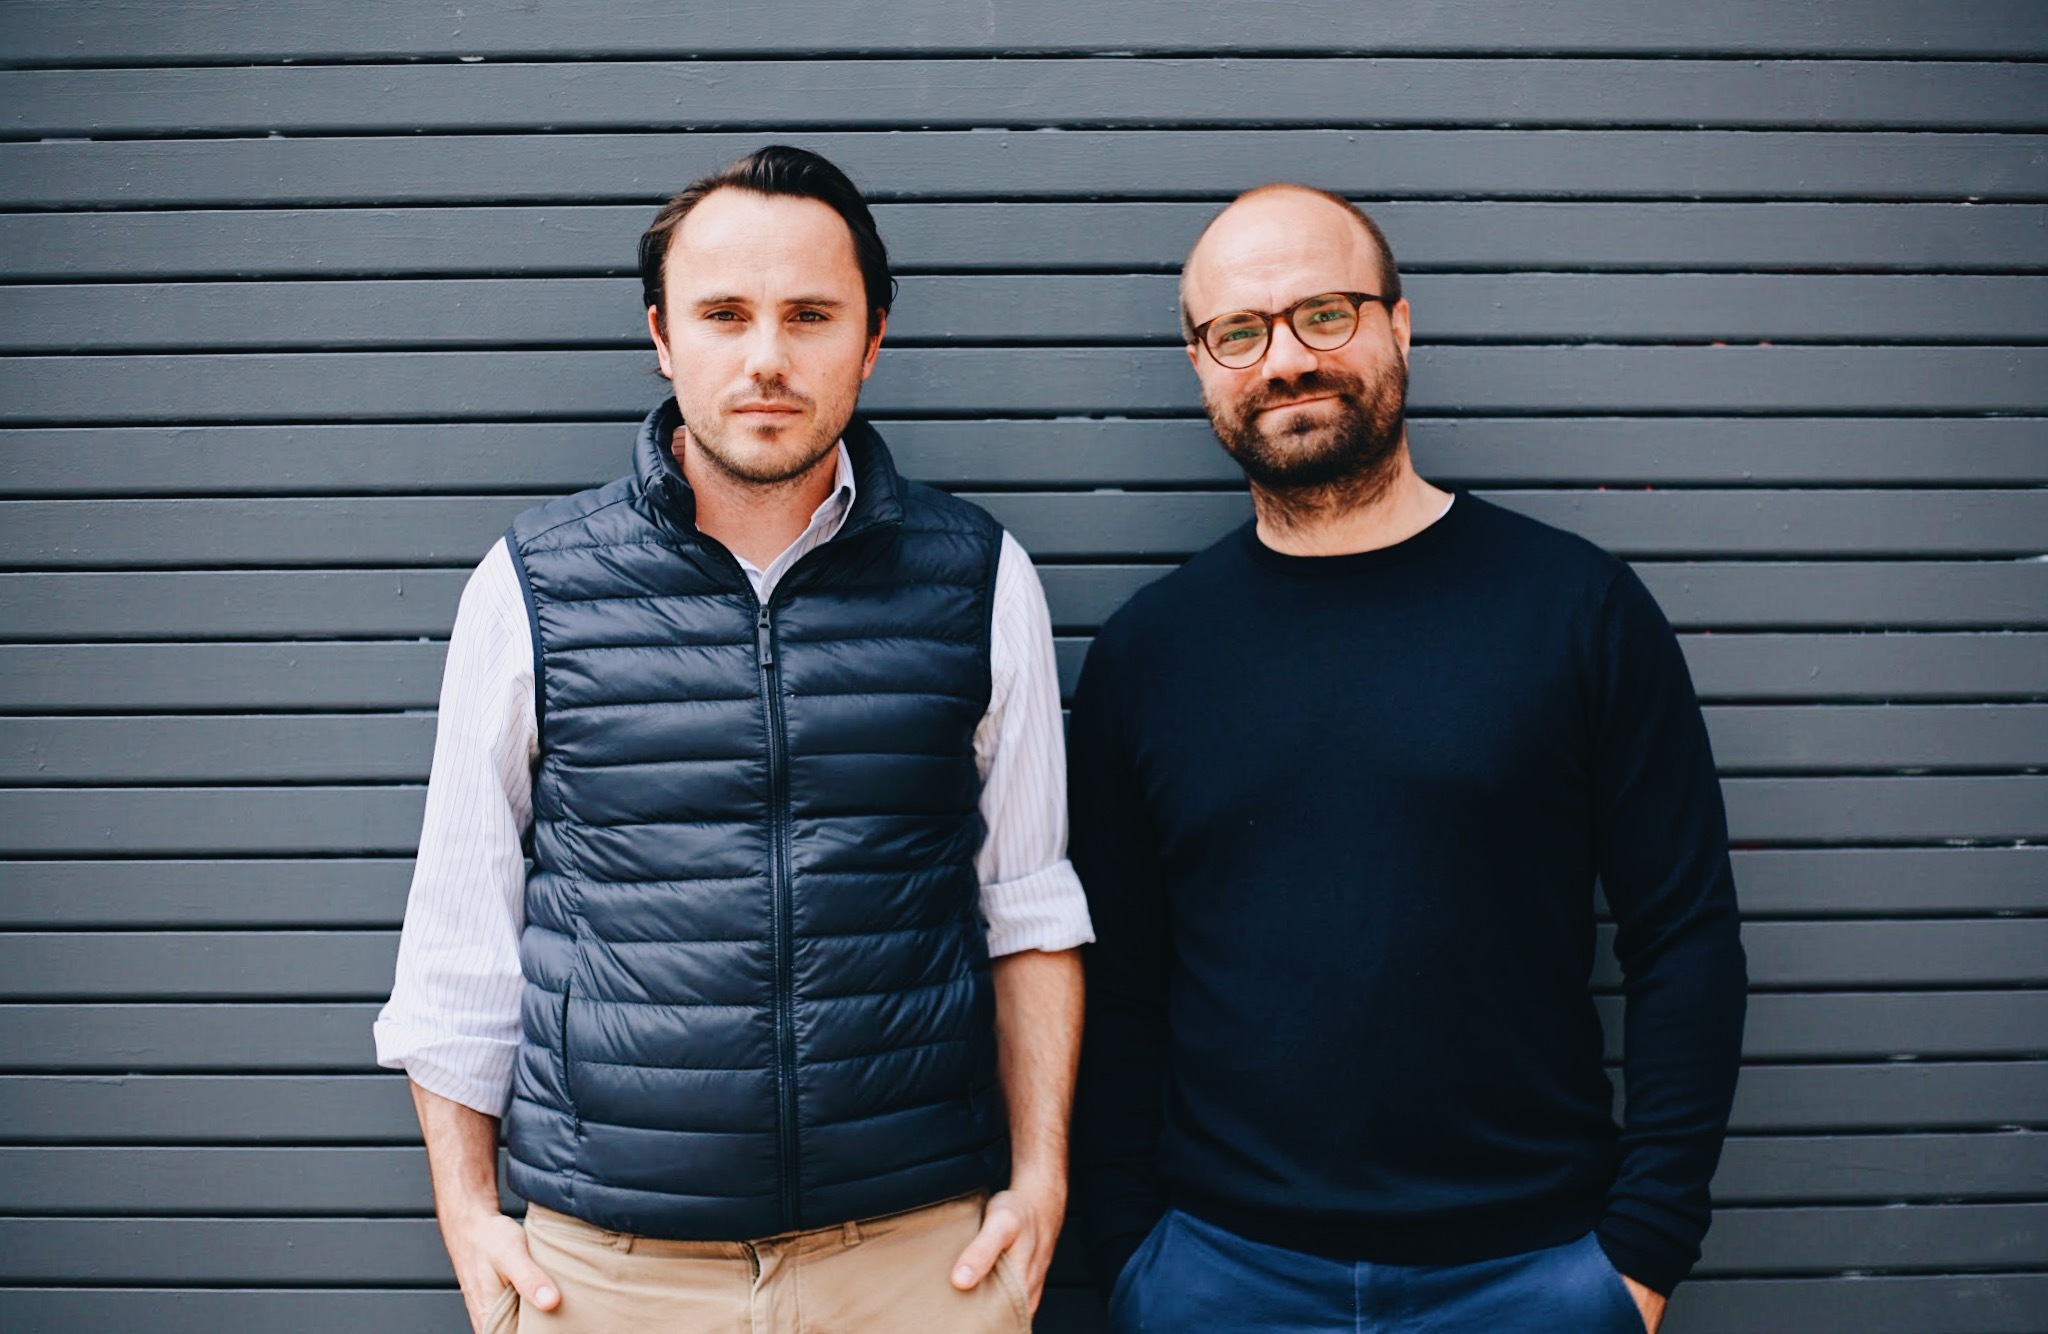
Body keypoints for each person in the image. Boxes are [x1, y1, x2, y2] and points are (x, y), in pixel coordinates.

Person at [375, 145, 1091, 1334]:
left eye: (810, 315)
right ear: (663, 337)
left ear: (870, 340)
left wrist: (1040, 1177)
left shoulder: (977, 576)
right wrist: (465, 1209)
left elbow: (1025, 903)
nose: (766, 357)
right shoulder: (531, 586)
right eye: (724, 314)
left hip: (918, 1264)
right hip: (606, 1274)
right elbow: (461, 936)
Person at [1068, 183, 1748, 1333]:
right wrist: (1134, 1257)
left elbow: (1682, 939)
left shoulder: (1575, 610)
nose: (1286, 359)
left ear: (1398, 322)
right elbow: (1118, 986)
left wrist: (1639, 1255)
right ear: (1200, 365)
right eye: (1239, 332)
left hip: (1529, 1277)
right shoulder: (1147, 654)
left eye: (1322, 313)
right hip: (1220, 1282)